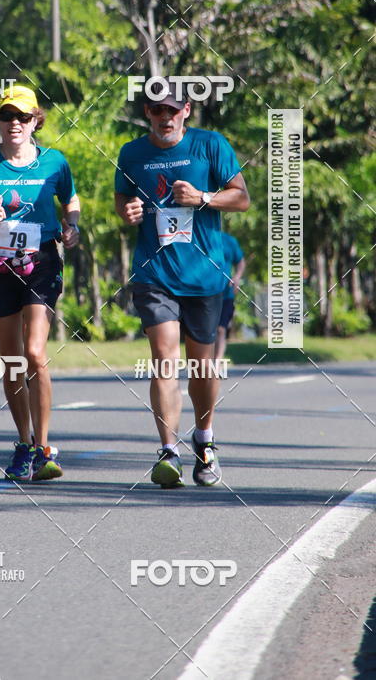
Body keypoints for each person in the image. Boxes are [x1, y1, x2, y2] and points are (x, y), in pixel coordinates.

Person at [114, 81, 250, 487]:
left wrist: (205, 197)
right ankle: (168, 451)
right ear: (147, 114)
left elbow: (241, 198)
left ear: (186, 111)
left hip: (204, 276)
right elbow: (121, 200)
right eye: (157, 111)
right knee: (164, 357)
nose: (165, 118)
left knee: (202, 366)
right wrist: (129, 210)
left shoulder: (211, 145)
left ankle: (204, 439)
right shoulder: (132, 153)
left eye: (172, 110)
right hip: (155, 274)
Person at [0, 85, 80, 482]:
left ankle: (43, 449)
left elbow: (70, 200)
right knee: (11, 360)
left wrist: (72, 225)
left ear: (35, 121)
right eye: (7, 116)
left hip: (41, 262)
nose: (15, 124)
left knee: (34, 353)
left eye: (23, 117)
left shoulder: (54, 162)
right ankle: (24, 443)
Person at [215, 231, 246, 363]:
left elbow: (240, 262)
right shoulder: (200, 236)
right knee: (207, 330)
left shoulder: (229, 240)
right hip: (203, 293)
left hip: (226, 293)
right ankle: (204, 363)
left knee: (221, 329)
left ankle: (217, 362)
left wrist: (237, 277)